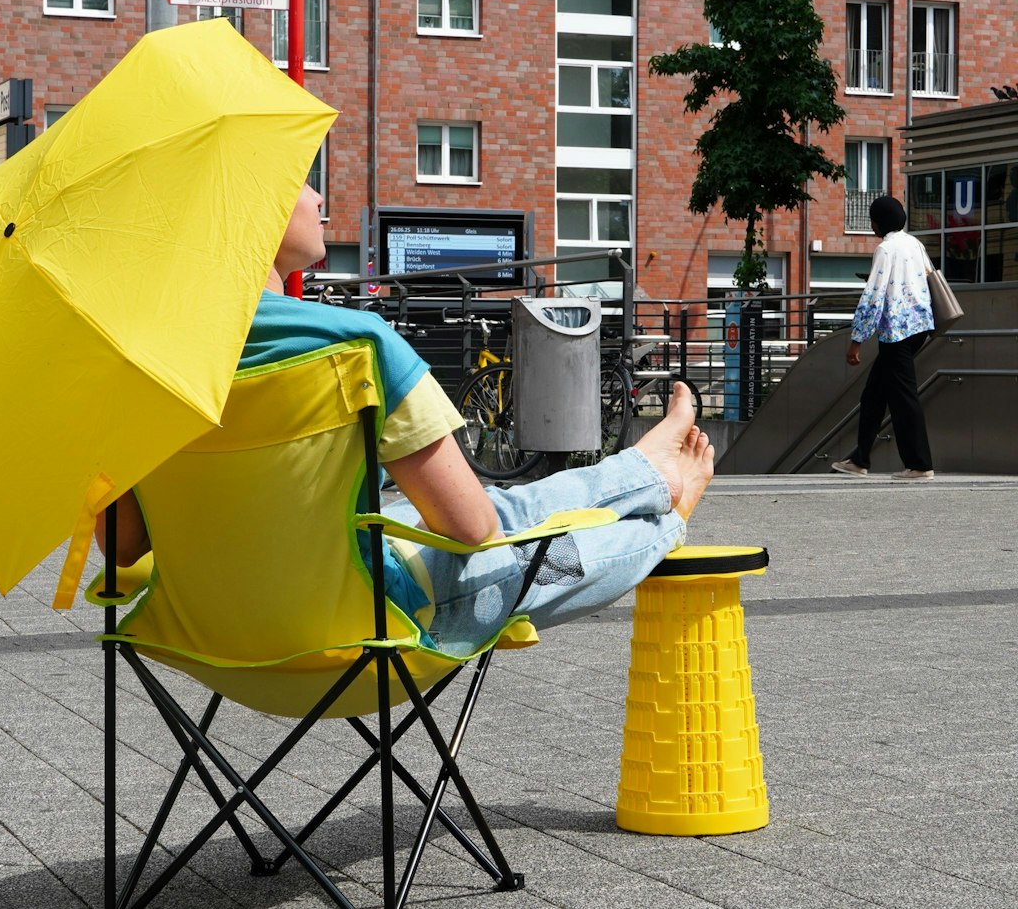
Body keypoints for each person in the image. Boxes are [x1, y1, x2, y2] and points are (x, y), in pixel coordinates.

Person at [100, 183, 713, 654]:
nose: (321, 200)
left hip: (211, 633)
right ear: (254, 200)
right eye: (302, 180)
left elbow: (123, 545)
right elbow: (469, 529)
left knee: (483, 508)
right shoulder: (353, 343)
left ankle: (645, 471)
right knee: (504, 524)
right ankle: (666, 508)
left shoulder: (145, 358)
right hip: (364, 623)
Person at [831, 195, 935, 481]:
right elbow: (926, 276)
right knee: (874, 394)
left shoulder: (886, 250)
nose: (872, 225)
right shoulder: (914, 243)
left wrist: (857, 340)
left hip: (898, 332)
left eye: (873, 220)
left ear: (879, 222)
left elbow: (873, 296)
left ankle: (920, 464)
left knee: (903, 397)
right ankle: (859, 458)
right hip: (920, 326)